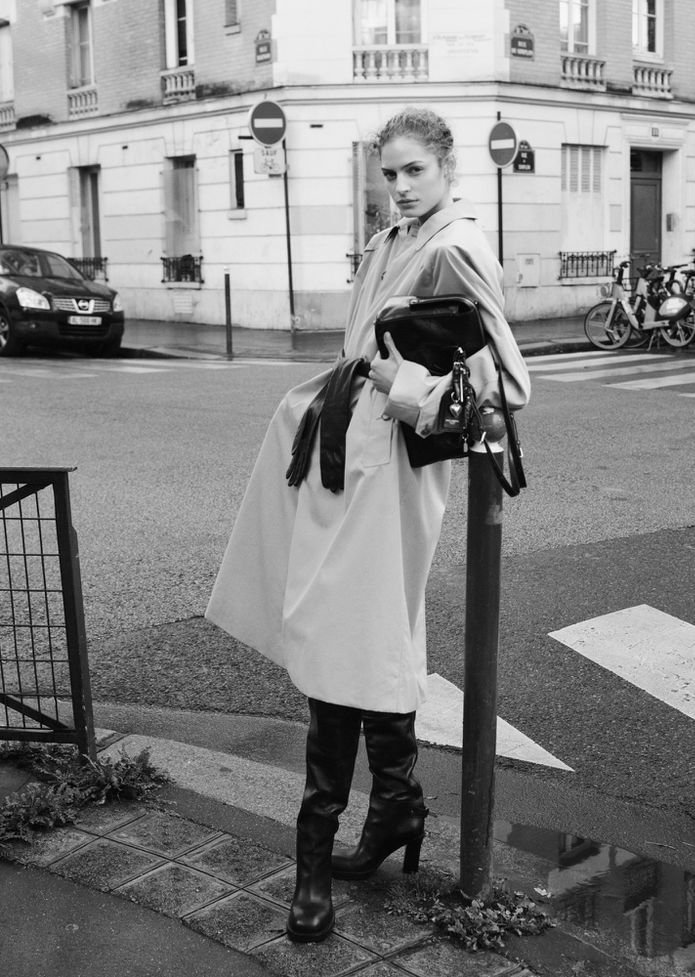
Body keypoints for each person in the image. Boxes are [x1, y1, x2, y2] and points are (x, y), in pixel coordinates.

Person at [205, 106, 531, 943]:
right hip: (344, 462)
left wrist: (401, 385)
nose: (400, 186)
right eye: (389, 172)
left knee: (341, 642)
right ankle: (396, 804)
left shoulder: (456, 246)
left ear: (448, 168)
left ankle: (313, 864)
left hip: (392, 475)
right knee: (366, 641)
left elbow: (504, 392)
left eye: (415, 170)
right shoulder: (391, 241)